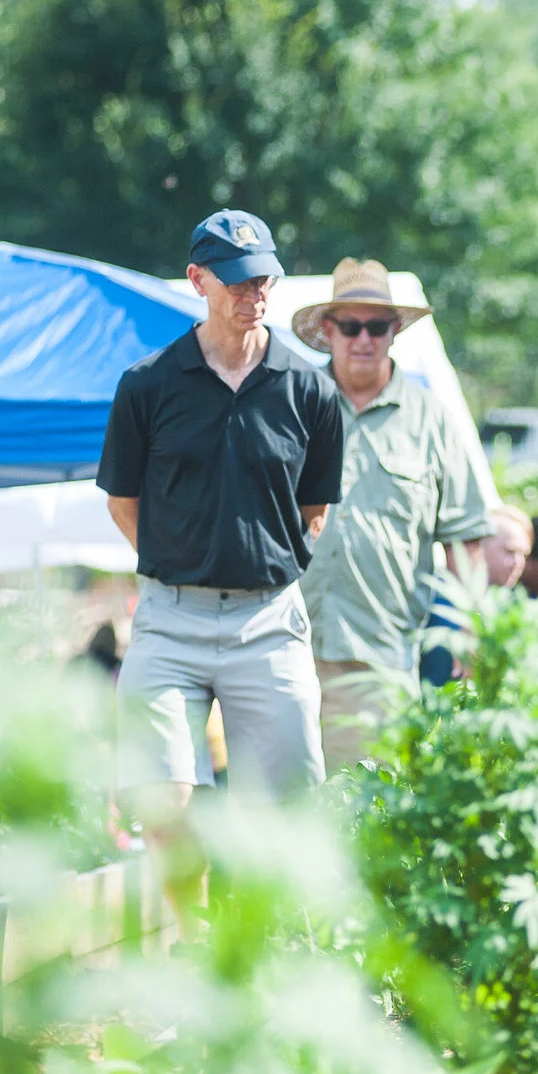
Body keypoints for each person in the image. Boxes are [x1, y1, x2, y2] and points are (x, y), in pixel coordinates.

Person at [99, 211, 346, 835]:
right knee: (161, 806)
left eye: (263, 279)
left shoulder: (310, 390)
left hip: (269, 621)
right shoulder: (147, 385)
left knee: (284, 817)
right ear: (197, 280)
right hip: (169, 618)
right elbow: (122, 501)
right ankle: (188, 906)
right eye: (237, 280)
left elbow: (314, 510)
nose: (253, 294)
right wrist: (181, 558)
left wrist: (259, 561)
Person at [291, 258, 493, 764]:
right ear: (328, 330)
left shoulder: (432, 419)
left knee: (369, 801)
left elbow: (466, 538)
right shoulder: (291, 403)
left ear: (395, 331)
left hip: (380, 653)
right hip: (284, 643)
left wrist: (470, 629)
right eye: (351, 326)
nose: (364, 339)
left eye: (377, 326)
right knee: (281, 804)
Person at [421, 506, 533, 687]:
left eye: (524, 555)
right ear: (479, 547)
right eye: (510, 551)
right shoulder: (440, 598)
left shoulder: (507, 604)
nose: (519, 563)